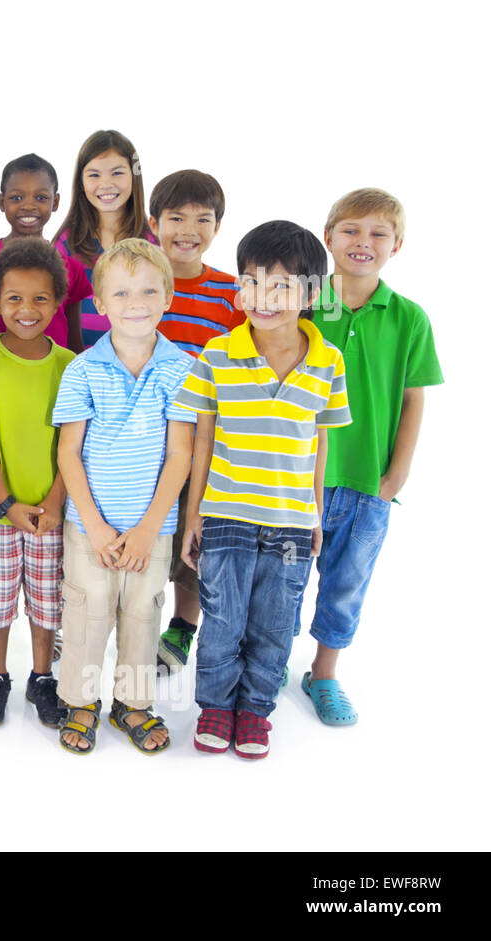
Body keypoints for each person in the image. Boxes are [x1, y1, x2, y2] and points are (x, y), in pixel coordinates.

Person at [175, 221, 350, 759]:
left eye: (280, 286)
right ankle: (215, 708)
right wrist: (193, 517)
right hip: (225, 513)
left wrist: (316, 514)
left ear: (312, 295)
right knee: (223, 620)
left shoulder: (328, 363)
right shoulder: (216, 354)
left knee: (275, 622)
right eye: (251, 283)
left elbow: (319, 446)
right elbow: (202, 438)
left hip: (292, 521)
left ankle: (254, 711)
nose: (262, 298)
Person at [301, 188, 442, 725]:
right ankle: (266, 665)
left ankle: (325, 673)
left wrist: (398, 471)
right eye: (352, 230)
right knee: (283, 584)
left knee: (346, 583)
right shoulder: (303, 304)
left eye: (378, 233)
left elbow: (412, 396)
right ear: (328, 237)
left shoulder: (409, 318)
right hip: (293, 478)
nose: (364, 242)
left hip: (366, 481)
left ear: (397, 245)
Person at [51, 239, 194, 755]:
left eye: (149, 290)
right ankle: (81, 701)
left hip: (150, 528)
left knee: (143, 613)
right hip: (88, 524)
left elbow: (180, 456)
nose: (137, 301)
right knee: (86, 612)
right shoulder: (83, 370)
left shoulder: (183, 371)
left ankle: (132, 704)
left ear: (169, 296)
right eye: (122, 292)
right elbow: (70, 454)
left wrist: (149, 529)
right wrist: (96, 525)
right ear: (100, 302)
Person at [0, 238, 75, 727]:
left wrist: (54, 501)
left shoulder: (71, 366)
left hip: (52, 510)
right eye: (14, 298)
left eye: (39, 299)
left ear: (57, 302)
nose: (26, 309)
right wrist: (9, 502)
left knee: (47, 598)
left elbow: (76, 447)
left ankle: (42, 676)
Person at [143, 170, 243, 672]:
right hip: (140, 438)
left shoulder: (231, 294)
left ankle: (182, 625)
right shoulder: (139, 281)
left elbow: (243, 365)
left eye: (202, 219)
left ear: (218, 226)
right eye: (176, 217)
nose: (188, 229)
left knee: (191, 529)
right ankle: (134, 619)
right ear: (153, 221)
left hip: (201, 435)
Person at [0, 153, 91, 354]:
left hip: (55, 381)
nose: (28, 206)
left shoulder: (71, 269)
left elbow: (74, 344)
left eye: (41, 197)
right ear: (2, 202)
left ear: (55, 202)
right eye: (17, 197)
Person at [55, 130, 155, 349]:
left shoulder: (153, 243)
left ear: (134, 175)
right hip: (81, 368)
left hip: (141, 367)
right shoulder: (65, 244)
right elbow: (56, 316)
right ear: (81, 182)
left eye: (117, 173)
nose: (106, 184)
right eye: (94, 175)